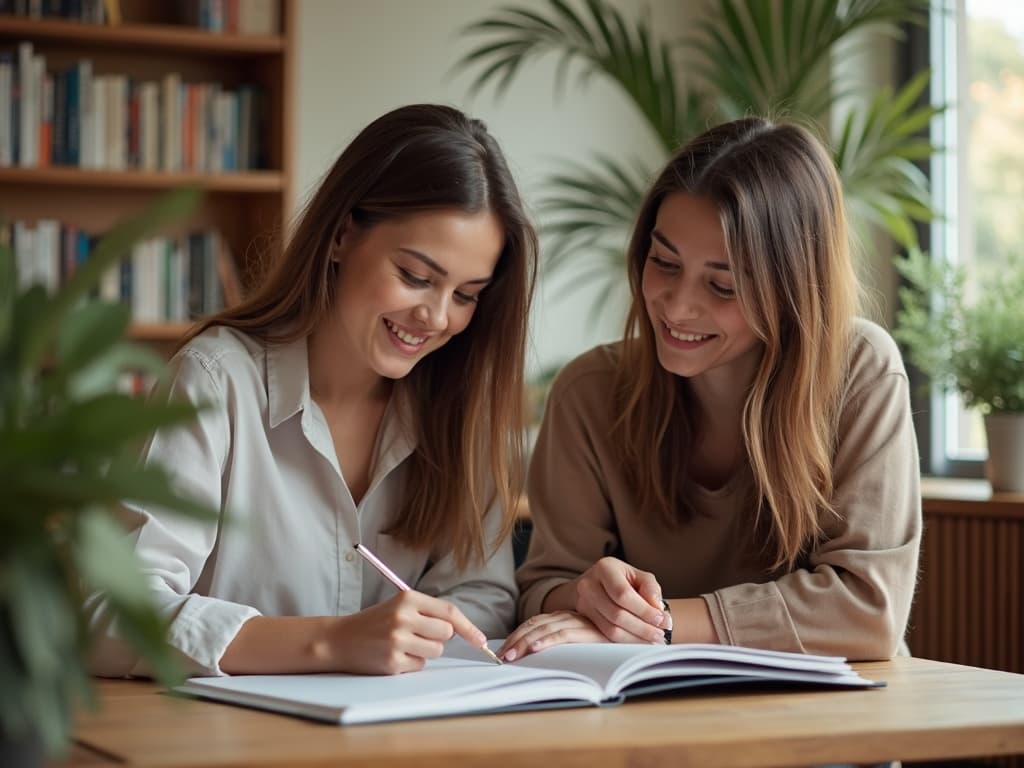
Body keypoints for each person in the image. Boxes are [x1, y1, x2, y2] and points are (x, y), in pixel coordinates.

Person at [87, 104, 537, 677]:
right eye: (416, 277)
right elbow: (113, 615)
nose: (436, 316)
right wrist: (330, 643)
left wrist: (415, 642)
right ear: (342, 235)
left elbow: (484, 604)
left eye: (467, 294)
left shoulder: (461, 405)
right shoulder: (216, 379)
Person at [502, 117, 921, 664]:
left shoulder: (861, 370)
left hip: (836, 722)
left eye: (723, 285)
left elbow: (868, 611)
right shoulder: (589, 392)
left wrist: (658, 623)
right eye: (664, 263)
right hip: (646, 720)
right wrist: (586, 598)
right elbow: (542, 590)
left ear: (791, 289)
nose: (677, 307)